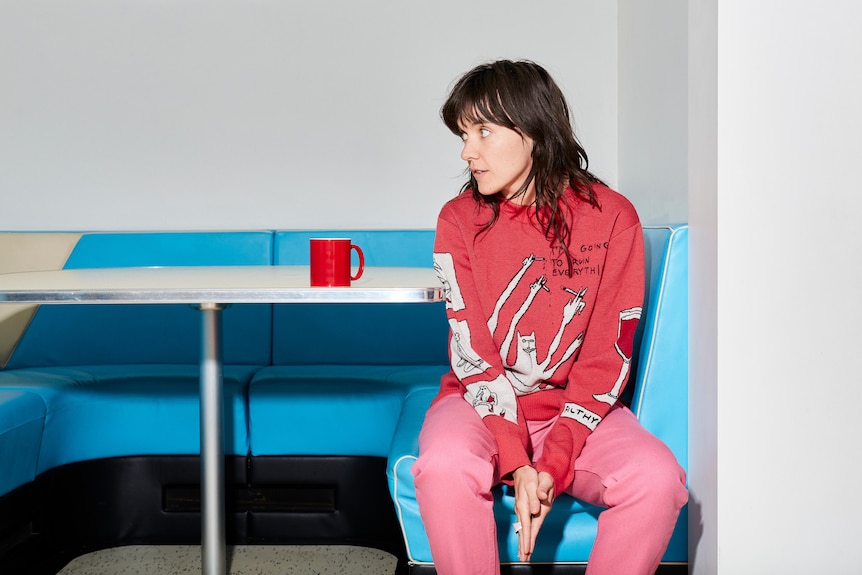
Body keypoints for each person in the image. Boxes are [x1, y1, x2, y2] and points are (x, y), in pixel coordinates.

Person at [412, 59, 688, 575]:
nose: (467, 151)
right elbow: (475, 357)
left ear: (534, 130)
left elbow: (608, 354)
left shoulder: (612, 217)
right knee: (444, 466)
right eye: (463, 135)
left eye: (483, 131)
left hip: (578, 412)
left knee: (656, 479)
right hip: (480, 402)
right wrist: (518, 464)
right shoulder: (458, 219)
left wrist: (554, 461)